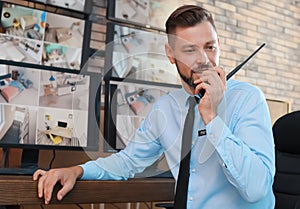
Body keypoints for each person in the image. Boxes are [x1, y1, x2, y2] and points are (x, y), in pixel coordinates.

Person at [33, 5, 275, 208]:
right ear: (170, 54)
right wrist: (77, 171)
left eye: (210, 47)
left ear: (219, 44)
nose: (203, 59)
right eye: (190, 50)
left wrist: (212, 118)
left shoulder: (248, 99)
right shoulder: (165, 109)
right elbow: (128, 162)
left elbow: (256, 190)